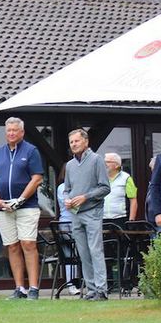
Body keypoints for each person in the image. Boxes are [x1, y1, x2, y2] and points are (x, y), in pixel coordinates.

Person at [0, 117, 44, 300]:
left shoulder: (31, 150)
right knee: (12, 247)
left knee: (28, 244)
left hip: (26, 206)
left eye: (14, 130)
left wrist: (20, 199)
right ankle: (20, 288)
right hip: (4, 207)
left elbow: (37, 178)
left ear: (22, 132)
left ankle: (34, 288)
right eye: (8, 130)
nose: (11, 133)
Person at [63, 129, 111, 301]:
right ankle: (91, 290)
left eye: (76, 141)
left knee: (95, 251)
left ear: (86, 142)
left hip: (92, 212)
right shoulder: (69, 165)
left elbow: (105, 187)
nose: (74, 144)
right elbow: (66, 189)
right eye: (71, 142)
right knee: (83, 253)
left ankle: (101, 290)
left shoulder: (97, 160)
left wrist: (86, 197)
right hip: (75, 214)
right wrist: (67, 199)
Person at [55, 165, 80, 296]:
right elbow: (70, 205)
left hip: (68, 221)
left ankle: (74, 283)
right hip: (68, 223)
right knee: (71, 255)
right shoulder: (63, 187)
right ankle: (72, 284)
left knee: (73, 254)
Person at [103, 153, 138, 227]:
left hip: (120, 219)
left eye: (108, 162)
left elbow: (133, 200)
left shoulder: (126, 178)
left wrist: (131, 221)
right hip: (102, 219)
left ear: (117, 165)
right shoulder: (100, 178)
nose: (105, 164)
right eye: (104, 161)